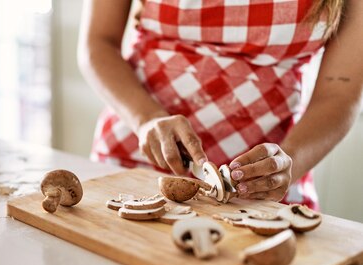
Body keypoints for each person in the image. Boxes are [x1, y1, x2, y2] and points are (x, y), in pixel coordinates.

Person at [78, 0, 363, 210]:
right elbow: (98, 43)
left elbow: (340, 92)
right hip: (134, 156)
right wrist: (146, 119)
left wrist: (286, 163)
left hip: (264, 187)